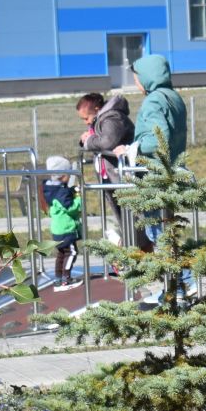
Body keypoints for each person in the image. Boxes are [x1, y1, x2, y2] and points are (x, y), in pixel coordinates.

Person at [128, 54, 187, 254]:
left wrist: (131, 149)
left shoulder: (153, 101)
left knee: (158, 232)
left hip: (155, 174)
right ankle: (175, 281)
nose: (136, 83)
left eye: (137, 78)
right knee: (166, 228)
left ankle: (181, 279)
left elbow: (160, 138)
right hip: (172, 169)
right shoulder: (173, 97)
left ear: (147, 76)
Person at [76, 90, 134, 245]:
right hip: (111, 176)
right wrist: (86, 140)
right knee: (124, 221)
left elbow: (108, 142)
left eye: (86, 118)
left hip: (121, 177)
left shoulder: (112, 118)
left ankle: (136, 250)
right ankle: (130, 249)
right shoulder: (101, 120)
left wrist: (89, 141)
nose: (86, 122)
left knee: (133, 221)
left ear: (96, 109)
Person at [41, 156, 84, 287]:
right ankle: (66, 278)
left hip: (57, 230)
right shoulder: (61, 192)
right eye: (68, 174)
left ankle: (58, 278)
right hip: (67, 230)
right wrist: (78, 198)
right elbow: (71, 208)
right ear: (61, 175)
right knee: (72, 252)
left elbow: (61, 200)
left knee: (61, 254)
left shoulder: (51, 189)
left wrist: (70, 191)